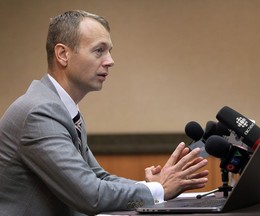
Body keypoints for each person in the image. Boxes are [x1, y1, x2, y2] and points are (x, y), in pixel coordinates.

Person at [0, 10, 209, 216]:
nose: (110, 61)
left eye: (109, 51)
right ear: (63, 54)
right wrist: (159, 189)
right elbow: (90, 195)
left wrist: (152, 185)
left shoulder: (60, 107)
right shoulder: (40, 112)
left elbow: (97, 177)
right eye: (99, 51)